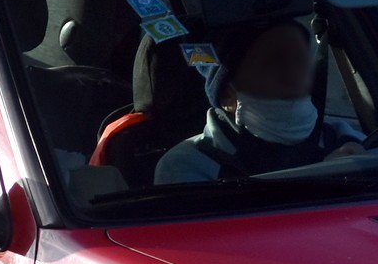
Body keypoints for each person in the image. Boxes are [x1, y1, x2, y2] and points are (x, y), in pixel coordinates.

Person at [155, 17, 364, 184]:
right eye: (272, 66)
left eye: (301, 61)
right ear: (227, 95)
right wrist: (324, 180)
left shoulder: (347, 139)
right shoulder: (188, 165)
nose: (295, 77)